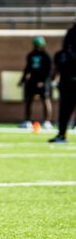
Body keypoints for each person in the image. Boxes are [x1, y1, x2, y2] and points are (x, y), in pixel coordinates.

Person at [50, 15, 76, 144]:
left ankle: (61, 134)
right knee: (65, 109)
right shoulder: (71, 34)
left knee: (65, 108)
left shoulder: (71, 34)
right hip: (69, 79)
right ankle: (61, 134)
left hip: (69, 79)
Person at [19, 36, 53, 130]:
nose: (37, 47)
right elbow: (27, 68)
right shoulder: (30, 55)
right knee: (28, 100)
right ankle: (27, 121)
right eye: (36, 45)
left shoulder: (46, 56)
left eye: (39, 45)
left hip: (43, 82)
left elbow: (48, 70)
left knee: (45, 100)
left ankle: (47, 121)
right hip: (32, 81)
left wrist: (43, 81)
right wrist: (22, 80)